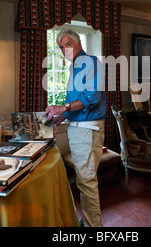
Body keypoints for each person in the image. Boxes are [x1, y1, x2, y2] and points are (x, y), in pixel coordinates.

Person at [42, 29, 106, 227]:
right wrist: (62, 116)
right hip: (78, 128)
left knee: (87, 182)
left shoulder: (92, 62)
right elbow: (75, 102)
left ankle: (93, 227)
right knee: (83, 181)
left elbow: (92, 98)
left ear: (79, 44)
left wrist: (63, 107)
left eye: (68, 44)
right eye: (61, 47)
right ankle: (88, 222)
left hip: (87, 130)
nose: (64, 50)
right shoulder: (74, 67)